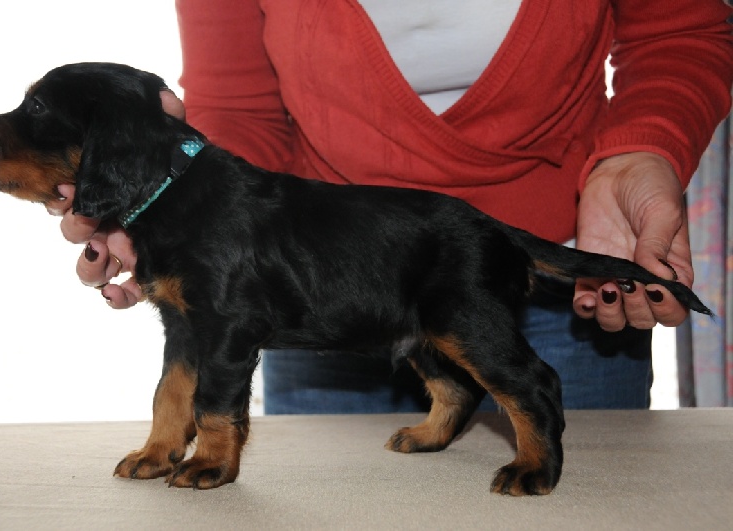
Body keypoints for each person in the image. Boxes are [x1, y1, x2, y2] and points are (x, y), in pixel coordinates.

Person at [48, 1, 733, 412]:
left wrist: (638, 153)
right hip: (313, 283)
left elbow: (677, 35)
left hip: (561, 282)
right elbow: (243, 110)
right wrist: (180, 220)